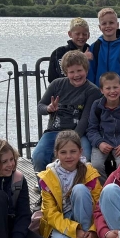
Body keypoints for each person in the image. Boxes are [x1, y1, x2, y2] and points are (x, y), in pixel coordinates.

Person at [32, 51, 100, 181]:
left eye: (79, 70)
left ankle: (77, 185)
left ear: (86, 69)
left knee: (84, 156)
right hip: (54, 131)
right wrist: (49, 108)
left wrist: (71, 141)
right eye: (72, 72)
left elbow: (85, 119)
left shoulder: (92, 91)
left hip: (79, 133)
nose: (76, 75)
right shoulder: (57, 84)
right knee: (38, 156)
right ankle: (44, 186)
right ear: (65, 72)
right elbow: (40, 106)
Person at [37, 131, 101, 238]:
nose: (68, 156)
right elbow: (50, 213)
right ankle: (78, 237)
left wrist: (94, 230)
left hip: (85, 216)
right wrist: (74, 230)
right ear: (56, 153)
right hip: (62, 218)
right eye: (63, 152)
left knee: (80, 189)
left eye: (73, 151)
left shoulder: (90, 173)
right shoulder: (48, 176)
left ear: (80, 151)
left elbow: (99, 204)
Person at [86, 72, 120, 184]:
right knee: (95, 165)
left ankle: (119, 187)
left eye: (115, 87)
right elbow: (91, 129)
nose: (112, 91)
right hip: (103, 141)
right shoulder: (97, 106)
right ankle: (103, 187)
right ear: (101, 90)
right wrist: (99, 142)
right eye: (108, 88)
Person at [86, 7, 120, 96]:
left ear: (117, 25)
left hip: (119, 99)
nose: (108, 26)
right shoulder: (95, 48)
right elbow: (90, 76)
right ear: (100, 27)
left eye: (111, 23)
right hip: (98, 98)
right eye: (104, 23)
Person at [47, 17, 91, 83]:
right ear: (70, 34)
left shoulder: (92, 51)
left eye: (84, 34)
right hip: (64, 90)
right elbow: (58, 76)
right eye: (77, 34)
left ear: (88, 35)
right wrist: (82, 58)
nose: (81, 37)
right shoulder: (59, 52)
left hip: (87, 90)